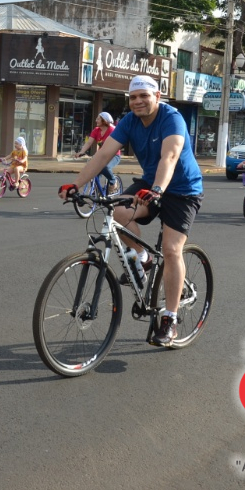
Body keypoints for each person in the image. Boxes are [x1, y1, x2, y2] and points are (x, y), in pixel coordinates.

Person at [58, 75, 204, 347]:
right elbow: (102, 156)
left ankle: (169, 318)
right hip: (151, 183)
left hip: (182, 189)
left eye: (143, 96)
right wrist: (76, 184)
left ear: (157, 96)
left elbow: (169, 157)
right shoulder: (129, 122)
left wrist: (158, 189)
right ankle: (143, 256)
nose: (137, 101)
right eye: (133, 97)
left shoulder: (172, 118)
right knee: (118, 211)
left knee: (172, 250)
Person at [73, 111, 122, 194]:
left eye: (98, 119)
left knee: (105, 167)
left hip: (114, 155)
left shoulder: (112, 130)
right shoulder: (96, 130)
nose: (96, 120)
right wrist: (81, 152)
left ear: (104, 120)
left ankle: (113, 182)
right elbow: (89, 142)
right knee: (93, 170)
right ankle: (96, 191)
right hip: (101, 155)